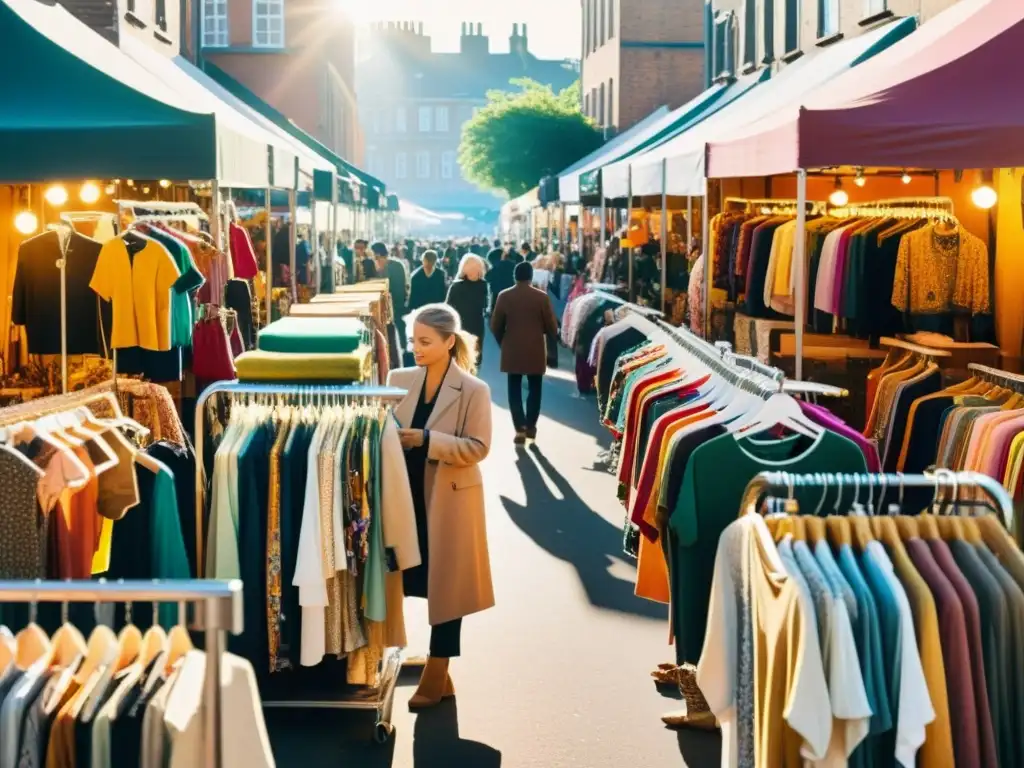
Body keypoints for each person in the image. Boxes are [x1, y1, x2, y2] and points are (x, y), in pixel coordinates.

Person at [387, 304, 495, 709]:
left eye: (425, 341)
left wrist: (427, 440)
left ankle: (437, 668)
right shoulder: (397, 380)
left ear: (450, 342)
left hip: (449, 501)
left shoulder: (473, 390)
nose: (415, 348)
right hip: (404, 496)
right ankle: (428, 665)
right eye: (413, 340)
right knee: (404, 578)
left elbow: (479, 447)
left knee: (446, 588)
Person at [490, 261, 559, 444]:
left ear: (515, 276)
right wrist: (550, 335)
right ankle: (531, 426)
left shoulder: (504, 296)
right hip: (535, 348)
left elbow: (495, 325)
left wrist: (503, 342)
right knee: (535, 388)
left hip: (512, 348)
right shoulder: (541, 297)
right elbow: (552, 325)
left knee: (514, 389)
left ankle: (519, 426)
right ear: (530, 277)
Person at [445, 253, 489, 365]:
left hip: (460, 327)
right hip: (476, 326)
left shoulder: (455, 286)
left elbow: (448, 308)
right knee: (474, 360)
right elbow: (484, 305)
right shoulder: (483, 285)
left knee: (459, 358)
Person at [373, 240, 410, 353]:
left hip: (395, 304)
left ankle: (402, 349)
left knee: (397, 325)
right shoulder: (380, 266)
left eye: (375, 257)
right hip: (385, 305)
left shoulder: (396, 266)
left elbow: (400, 288)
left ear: (378, 255)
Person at [484, 248, 515, 312]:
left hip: (497, 299)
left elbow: (487, 278)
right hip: (511, 296)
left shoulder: (492, 270)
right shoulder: (512, 265)